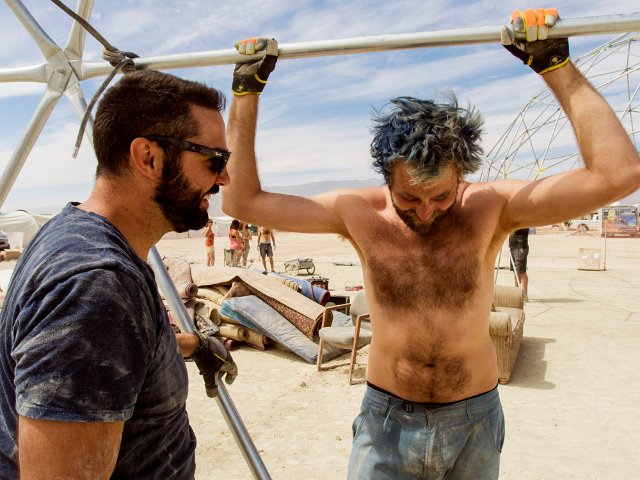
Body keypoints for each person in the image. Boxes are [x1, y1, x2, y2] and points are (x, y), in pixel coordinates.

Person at [222, 8, 640, 479]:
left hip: (474, 420)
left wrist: (554, 65)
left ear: (461, 176)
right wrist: (246, 91)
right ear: (387, 179)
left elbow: (617, 174)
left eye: (441, 197)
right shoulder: (358, 214)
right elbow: (241, 201)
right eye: (409, 198)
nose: (425, 211)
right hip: (386, 422)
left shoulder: (490, 208)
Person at [0, 69, 238, 479]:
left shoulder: (80, 238)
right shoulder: (95, 284)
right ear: (148, 158)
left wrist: (193, 345)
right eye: (214, 160)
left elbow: (117, 350)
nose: (224, 178)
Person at [509, 227, 530, 300]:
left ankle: (524, 294)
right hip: (513, 247)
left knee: (521, 271)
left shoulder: (524, 221)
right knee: (515, 271)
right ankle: (516, 293)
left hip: (520, 247)